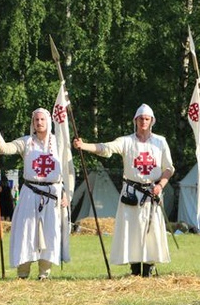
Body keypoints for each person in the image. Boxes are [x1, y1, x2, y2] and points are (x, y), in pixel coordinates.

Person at [74, 104, 174, 277]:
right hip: (131, 193)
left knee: (152, 232)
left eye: (147, 119)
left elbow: (169, 168)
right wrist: (84, 146)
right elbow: (106, 148)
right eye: (140, 118)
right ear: (135, 120)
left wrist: (160, 185)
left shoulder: (160, 142)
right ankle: (135, 270)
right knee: (132, 231)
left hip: (152, 193)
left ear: (152, 121)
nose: (144, 121)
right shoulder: (127, 141)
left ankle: (149, 268)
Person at [0, 109, 70, 280]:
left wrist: (66, 193)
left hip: (52, 193)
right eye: (36, 120)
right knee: (26, 232)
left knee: (49, 232)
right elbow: (3, 148)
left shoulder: (59, 143)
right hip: (30, 193)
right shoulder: (26, 142)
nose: (39, 122)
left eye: (42, 119)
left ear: (48, 121)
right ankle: (23, 273)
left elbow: (68, 171)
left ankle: (44, 274)